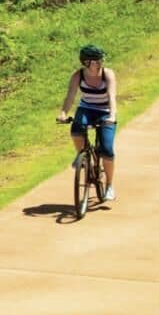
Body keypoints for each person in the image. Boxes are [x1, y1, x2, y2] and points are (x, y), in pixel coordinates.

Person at [58, 44, 119, 202]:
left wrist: (112, 116)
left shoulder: (108, 74)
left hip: (105, 111)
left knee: (107, 149)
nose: (100, 63)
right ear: (86, 63)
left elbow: (112, 97)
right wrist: (63, 113)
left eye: (101, 60)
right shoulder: (78, 76)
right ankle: (82, 157)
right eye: (95, 61)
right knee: (76, 129)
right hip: (86, 108)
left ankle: (109, 186)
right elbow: (70, 96)